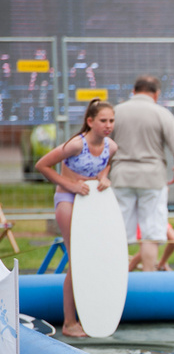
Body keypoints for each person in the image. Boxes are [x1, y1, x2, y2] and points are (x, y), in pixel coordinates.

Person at [35, 99, 118, 337]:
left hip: (91, 203)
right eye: (103, 120)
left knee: (93, 257)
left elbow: (105, 164)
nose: (108, 125)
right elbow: (43, 165)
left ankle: (93, 312)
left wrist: (104, 177)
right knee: (77, 259)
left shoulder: (111, 146)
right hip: (68, 202)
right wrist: (70, 185)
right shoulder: (75, 145)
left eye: (111, 120)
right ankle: (69, 322)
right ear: (90, 121)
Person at [111, 75, 174, 272]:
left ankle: (115, 277)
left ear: (134, 91)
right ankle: (148, 278)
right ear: (157, 93)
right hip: (153, 178)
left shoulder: (116, 112)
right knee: (150, 234)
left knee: (118, 232)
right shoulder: (161, 113)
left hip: (121, 177)